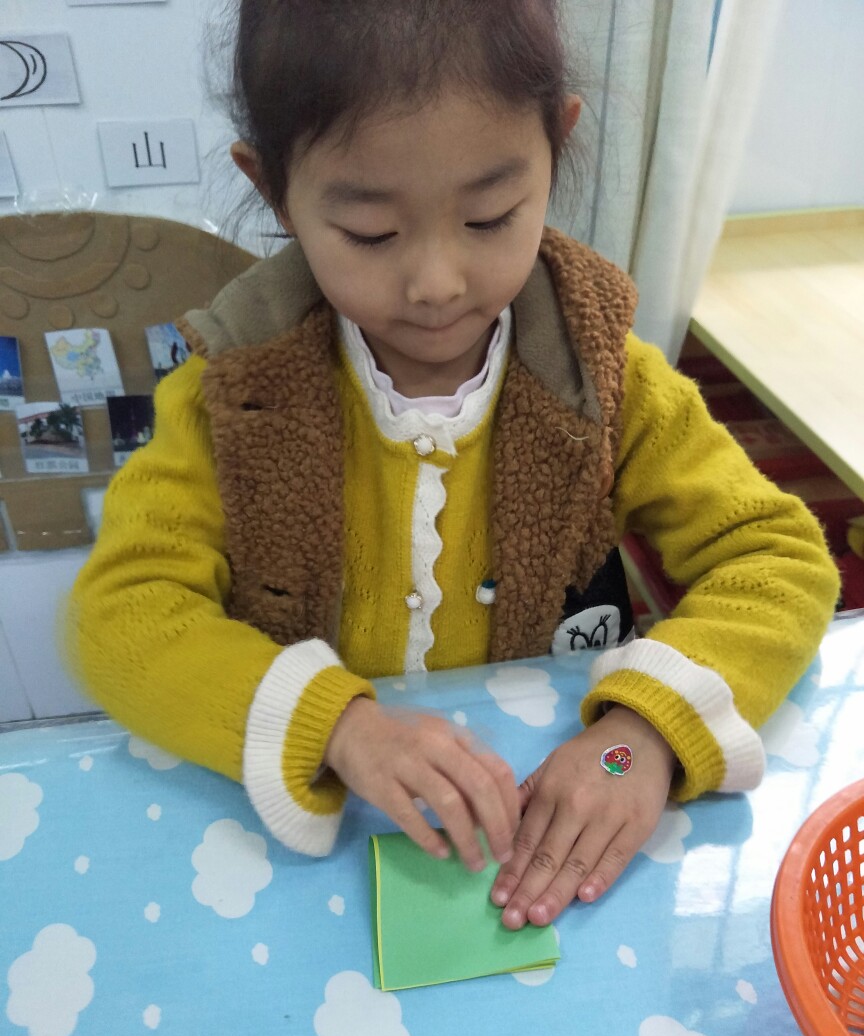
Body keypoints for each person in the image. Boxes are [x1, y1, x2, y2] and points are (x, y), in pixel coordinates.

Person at [68, 0, 838, 932]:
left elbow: (778, 559)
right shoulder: (230, 396)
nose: (437, 283)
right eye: (371, 234)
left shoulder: (606, 379)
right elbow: (123, 612)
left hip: (557, 817)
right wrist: (335, 726)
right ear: (274, 191)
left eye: (489, 217)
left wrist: (639, 739)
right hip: (321, 844)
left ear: (556, 147)